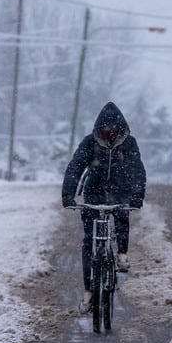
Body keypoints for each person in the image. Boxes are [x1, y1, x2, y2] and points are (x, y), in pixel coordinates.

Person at [61, 102, 146, 313]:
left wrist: (137, 195)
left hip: (120, 192)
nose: (109, 134)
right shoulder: (90, 143)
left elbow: (137, 170)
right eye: (105, 130)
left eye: (113, 130)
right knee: (89, 242)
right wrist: (68, 194)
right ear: (99, 129)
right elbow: (75, 168)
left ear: (120, 129)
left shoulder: (129, 144)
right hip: (94, 193)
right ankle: (89, 291)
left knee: (122, 216)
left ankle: (122, 254)